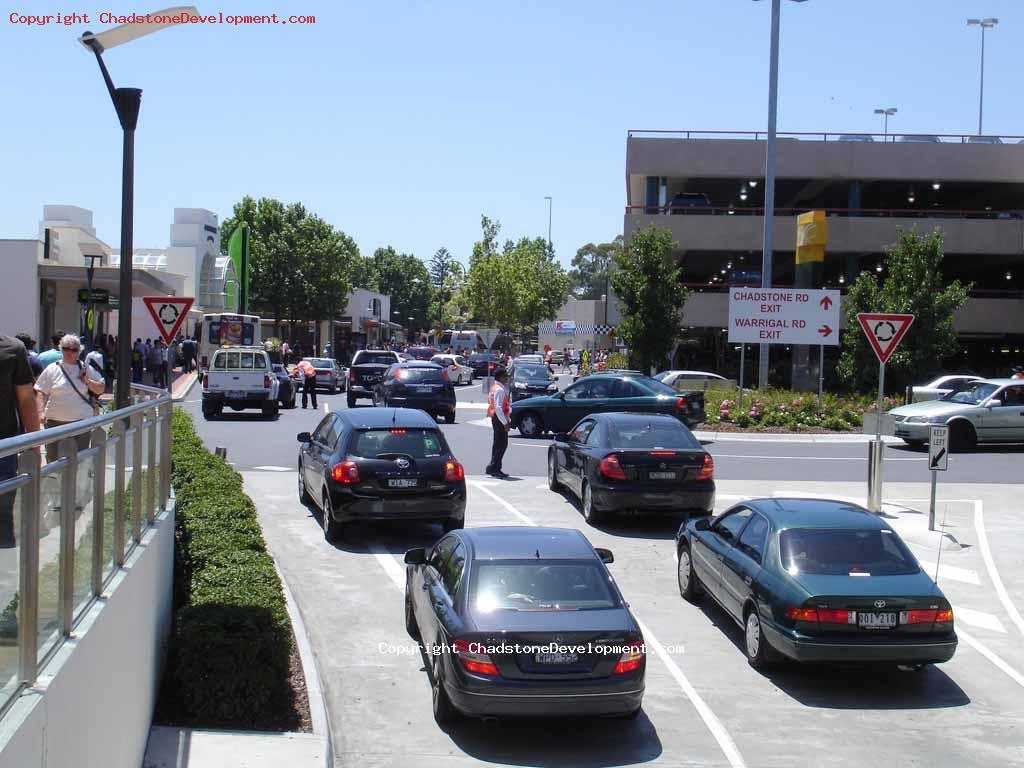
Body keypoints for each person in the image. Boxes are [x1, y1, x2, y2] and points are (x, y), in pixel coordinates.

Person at [34, 334, 104, 464]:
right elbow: (40, 391)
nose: (70, 352)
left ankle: (76, 485)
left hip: (81, 423)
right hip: (55, 423)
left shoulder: (86, 368)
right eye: (66, 348)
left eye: (74, 350)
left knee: (79, 461)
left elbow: (100, 389)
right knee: (54, 461)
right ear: (61, 349)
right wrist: (40, 412)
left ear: (79, 351)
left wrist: (87, 381)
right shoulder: (52, 369)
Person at [0, 334, 41, 547]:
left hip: (3, 450)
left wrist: (34, 446)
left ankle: (5, 577)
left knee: (3, 518)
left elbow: (26, 400)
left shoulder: (13, 349)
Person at [485, 368, 511, 478]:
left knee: (498, 444)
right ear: (500, 377)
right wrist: (505, 422)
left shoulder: (494, 387)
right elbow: (498, 407)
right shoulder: (499, 389)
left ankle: (494, 467)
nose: (507, 378)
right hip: (499, 419)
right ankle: (494, 467)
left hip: (496, 418)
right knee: (501, 444)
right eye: (505, 376)